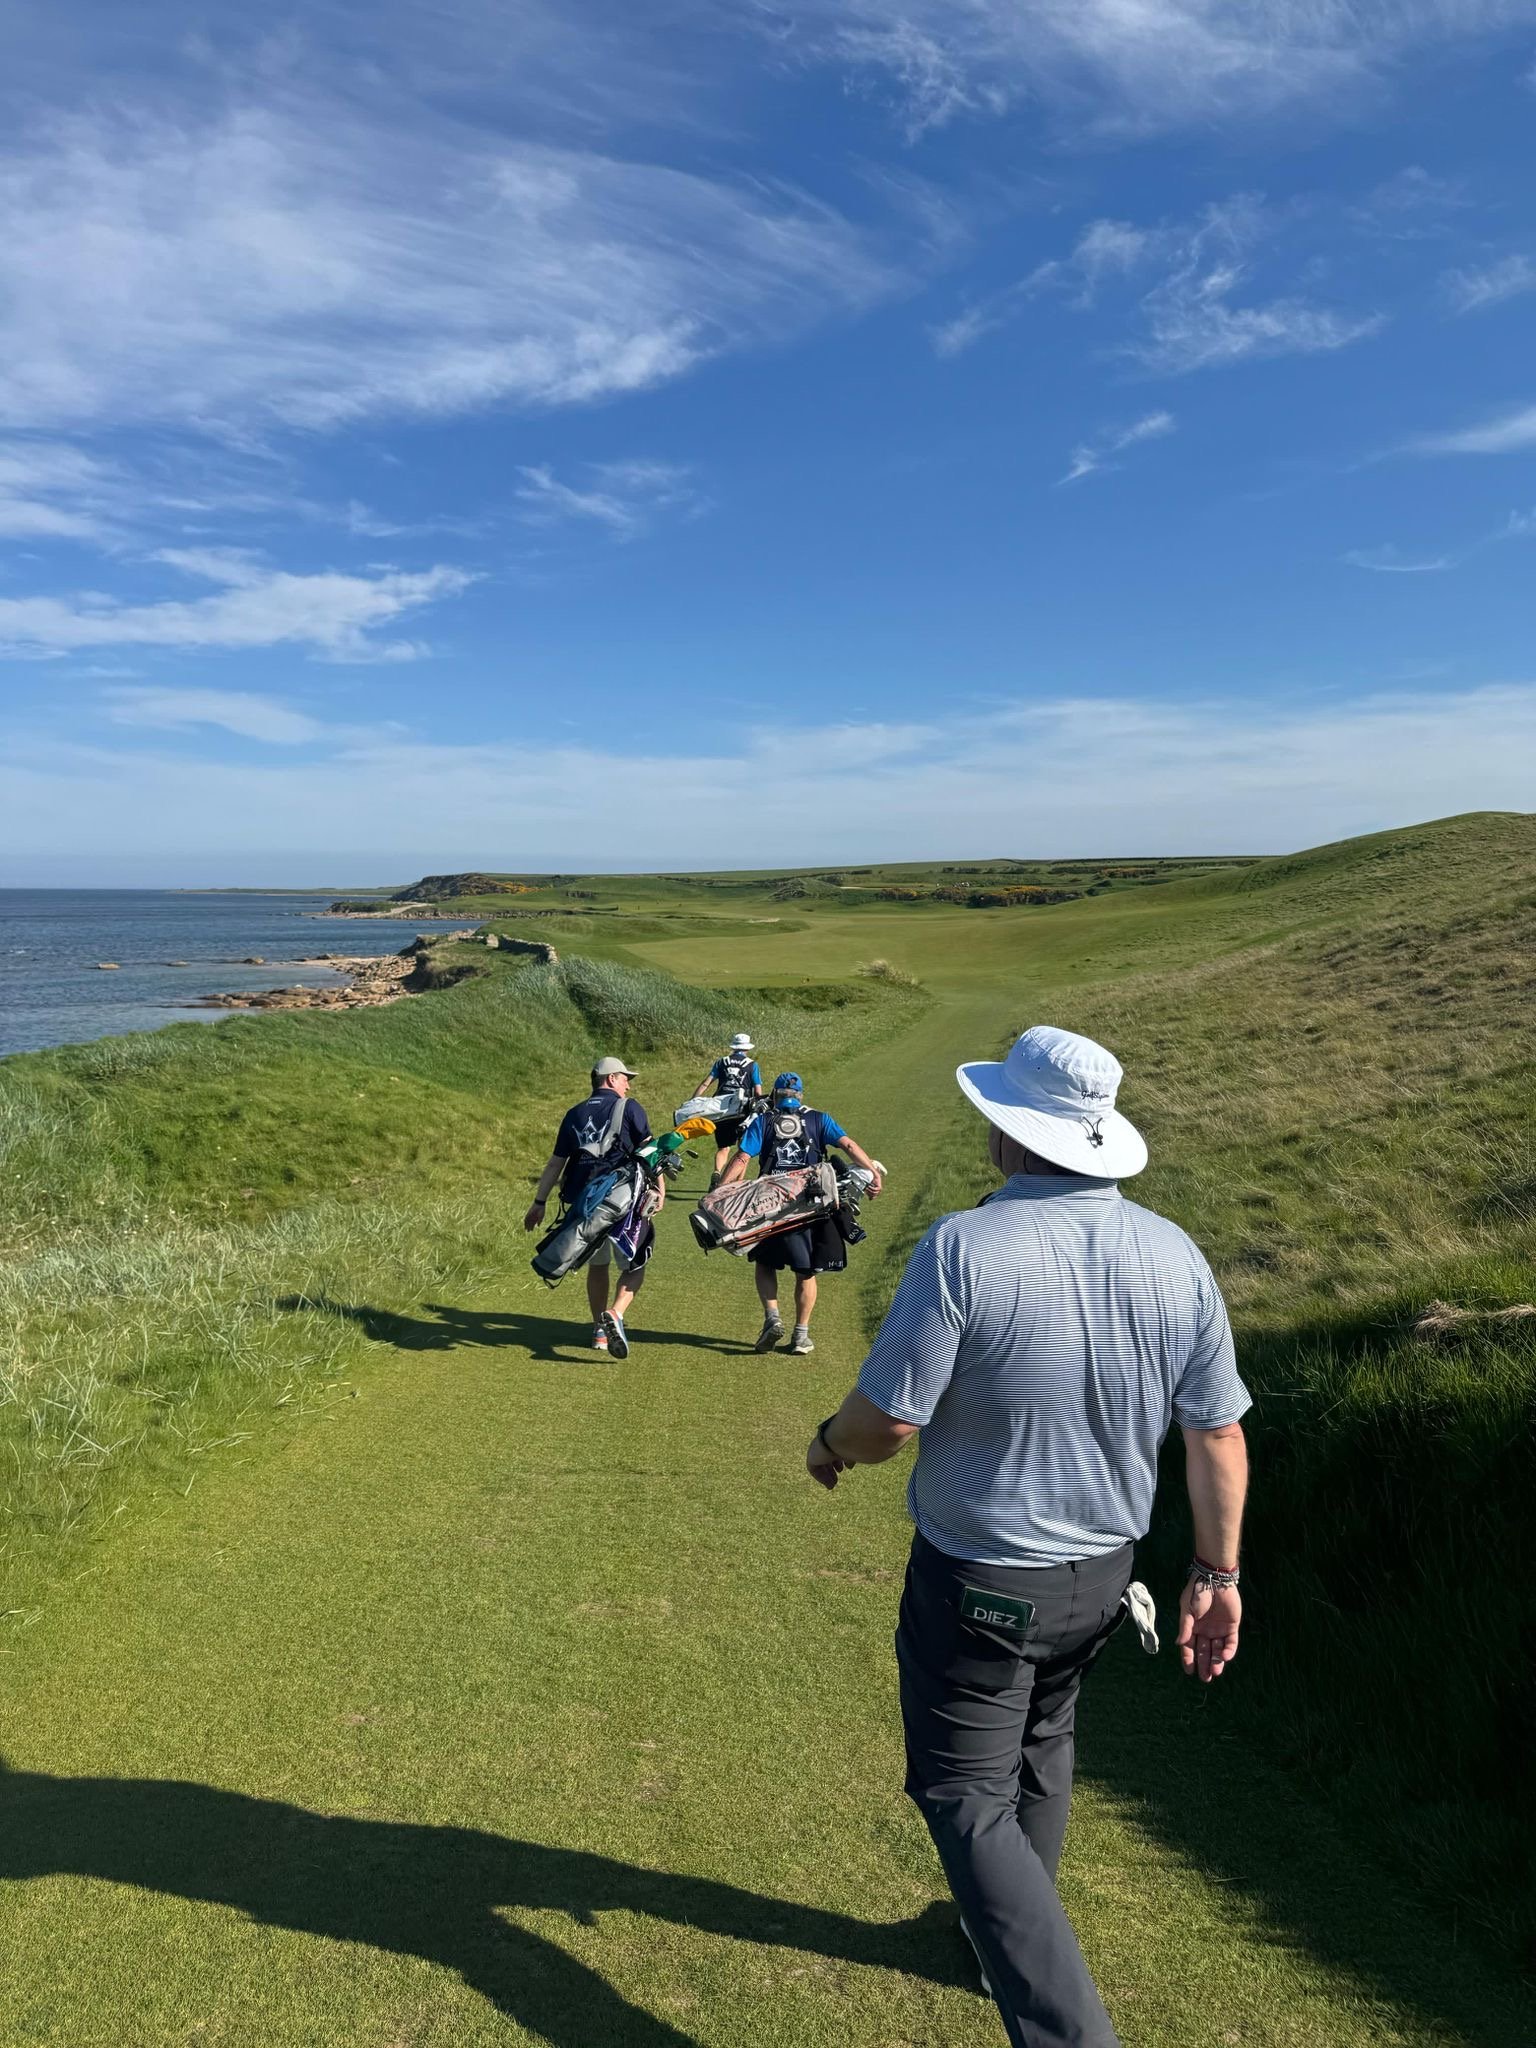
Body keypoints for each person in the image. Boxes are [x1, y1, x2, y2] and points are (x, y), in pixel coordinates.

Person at [804, 1025, 1250, 2048]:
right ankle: (993, 1933)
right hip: (1103, 1576)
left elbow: (890, 1420)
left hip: (981, 1581)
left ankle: (1065, 2027)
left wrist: (827, 1443)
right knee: (1041, 1753)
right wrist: (1217, 1570)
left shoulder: (967, 1244)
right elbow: (1217, 1429)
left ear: (1010, 1135)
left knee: (963, 1791)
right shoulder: (1174, 1252)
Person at [718, 1070, 883, 1356]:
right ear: (801, 1096)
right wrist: (872, 1173)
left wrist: (720, 1192)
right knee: (806, 1273)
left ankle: (772, 1318)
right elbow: (848, 1145)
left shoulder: (763, 1121)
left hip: (770, 1205)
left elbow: (742, 1158)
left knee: (765, 1264)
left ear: (776, 1095)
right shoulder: (820, 1119)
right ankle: (801, 1336)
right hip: (811, 1205)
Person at [522, 1056, 658, 1359]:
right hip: (624, 1202)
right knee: (636, 1265)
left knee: (598, 1266)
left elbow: (556, 1163)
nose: (628, 1084)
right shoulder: (630, 1108)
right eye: (625, 1078)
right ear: (610, 1079)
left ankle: (599, 1330)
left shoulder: (574, 1113)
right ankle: (616, 1313)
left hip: (584, 1207)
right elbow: (649, 1151)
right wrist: (660, 1189)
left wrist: (539, 1202)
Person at [691, 1032, 763, 1188]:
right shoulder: (752, 1065)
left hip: (721, 1109)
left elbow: (706, 1083)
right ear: (747, 1049)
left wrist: (693, 1101)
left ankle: (717, 1172)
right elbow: (757, 1091)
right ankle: (736, 1184)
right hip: (742, 1110)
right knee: (743, 1149)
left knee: (723, 1147)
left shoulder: (721, 1062)